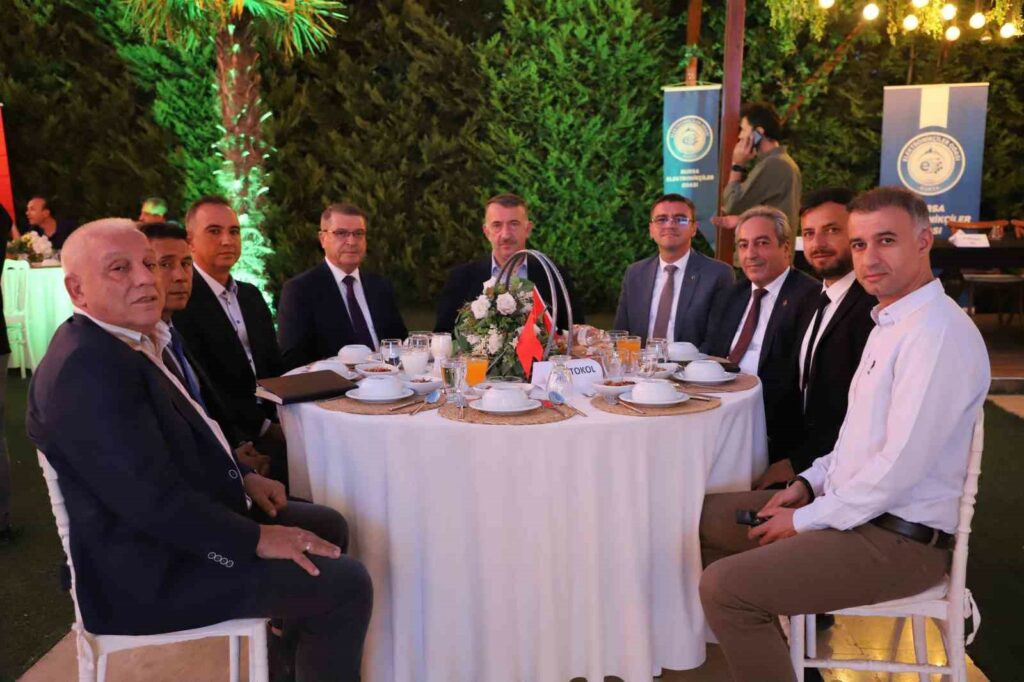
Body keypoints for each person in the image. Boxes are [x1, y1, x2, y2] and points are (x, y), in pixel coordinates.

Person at [26, 220, 372, 679]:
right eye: (119, 269)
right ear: (77, 289)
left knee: (326, 526)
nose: (146, 278)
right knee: (344, 583)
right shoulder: (88, 369)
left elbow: (182, 442)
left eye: (148, 263)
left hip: (172, 539)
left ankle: (287, 668)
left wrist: (244, 479)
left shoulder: (128, 341)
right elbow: (151, 504)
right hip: (148, 574)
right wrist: (256, 539)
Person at [698, 187, 990, 682]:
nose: (869, 258)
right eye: (859, 244)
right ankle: (770, 650)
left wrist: (804, 519)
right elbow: (855, 440)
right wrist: (806, 484)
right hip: (856, 515)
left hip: (899, 541)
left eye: (886, 240)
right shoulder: (890, 321)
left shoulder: (936, 334)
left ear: (924, 241)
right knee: (699, 517)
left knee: (725, 588)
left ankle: (761, 634)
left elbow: (895, 473)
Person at [753, 188, 876, 491]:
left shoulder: (873, 309)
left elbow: (862, 415)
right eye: (809, 233)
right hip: (794, 455)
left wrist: (798, 465)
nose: (818, 243)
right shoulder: (809, 300)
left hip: (837, 474)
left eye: (832, 230)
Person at [140, 221, 272, 477]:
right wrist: (235, 465)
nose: (180, 276)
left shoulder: (171, 331)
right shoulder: (140, 345)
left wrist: (235, 452)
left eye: (185, 264)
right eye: (165, 264)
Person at [173, 196, 287, 481]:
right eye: (214, 231)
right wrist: (263, 429)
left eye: (234, 231)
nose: (227, 240)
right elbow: (206, 386)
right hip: (230, 436)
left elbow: (272, 365)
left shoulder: (250, 295)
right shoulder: (182, 302)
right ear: (190, 241)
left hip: (275, 419)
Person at [701, 206, 818, 462]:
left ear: (786, 248)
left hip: (769, 429)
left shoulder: (810, 298)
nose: (751, 254)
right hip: (715, 411)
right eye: (743, 245)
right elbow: (711, 352)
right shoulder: (732, 295)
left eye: (762, 243)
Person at [278, 203, 407, 371]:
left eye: (358, 233)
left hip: (387, 380)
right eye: (341, 233)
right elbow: (292, 359)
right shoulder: (300, 290)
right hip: (333, 383)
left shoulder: (379, 286)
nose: (352, 242)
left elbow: (399, 342)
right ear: (322, 239)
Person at [434, 193, 585, 334]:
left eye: (514, 224)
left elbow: (575, 333)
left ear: (528, 229)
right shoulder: (461, 279)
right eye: (497, 225)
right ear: (486, 232)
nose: (505, 234)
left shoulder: (554, 275)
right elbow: (442, 336)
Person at [613, 193, 734, 346]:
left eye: (680, 219)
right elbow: (621, 334)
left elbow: (717, 340)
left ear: (694, 228)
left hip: (692, 361)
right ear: (651, 230)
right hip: (640, 360)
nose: (670, 225)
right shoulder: (635, 273)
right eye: (661, 219)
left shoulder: (717, 274)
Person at [711, 102, 802, 236]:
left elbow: (731, 204)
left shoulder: (773, 164)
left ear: (758, 132)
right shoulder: (782, 161)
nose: (740, 136)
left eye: (743, 130)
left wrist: (737, 164)